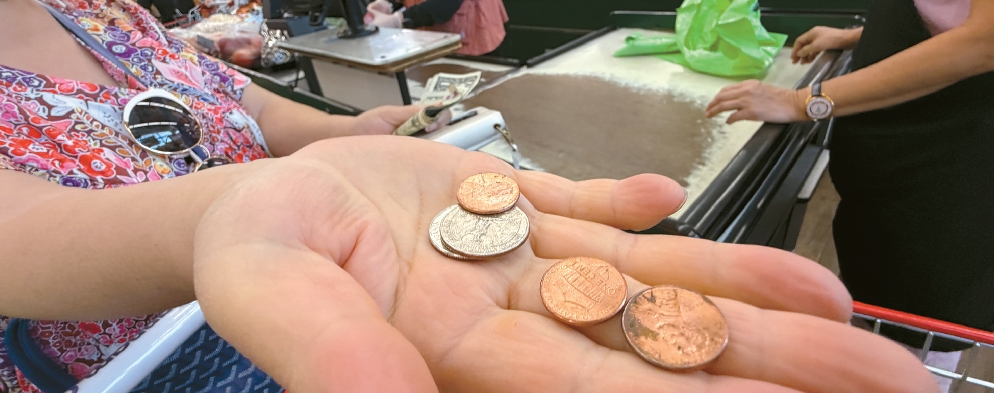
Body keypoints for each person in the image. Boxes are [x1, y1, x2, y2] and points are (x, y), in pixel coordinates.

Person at [0, 0, 945, 392]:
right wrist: (228, 209)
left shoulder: (103, 10)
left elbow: (239, 106)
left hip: (358, 289)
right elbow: (22, 231)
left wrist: (350, 136)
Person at [705, 0, 993, 387]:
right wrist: (862, 38)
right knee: (875, 297)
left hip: (946, 180)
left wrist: (800, 101)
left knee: (912, 336)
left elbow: (984, 41)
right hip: (888, 187)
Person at [363, 0, 507, 56]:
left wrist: (399, 19)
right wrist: (389, 3)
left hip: (471, 29)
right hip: (431, 35)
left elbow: (446, 3)